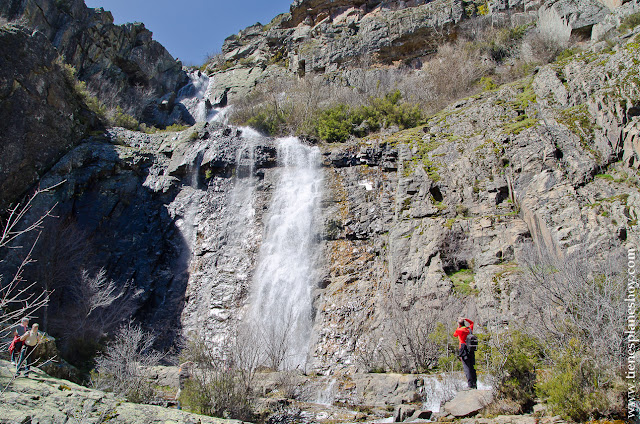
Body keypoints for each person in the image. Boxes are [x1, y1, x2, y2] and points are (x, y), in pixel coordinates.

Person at [453, 316, 477, 389]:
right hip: (471, 349)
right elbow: (472, 322)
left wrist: (458, 325)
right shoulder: (469, 329)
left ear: (459, 324)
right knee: (472, 367)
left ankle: (470, 385)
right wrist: (465, 319)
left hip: (463, 349)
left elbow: (455, 335)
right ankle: (474, 384)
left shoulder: (460, 330)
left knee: (466, 367)